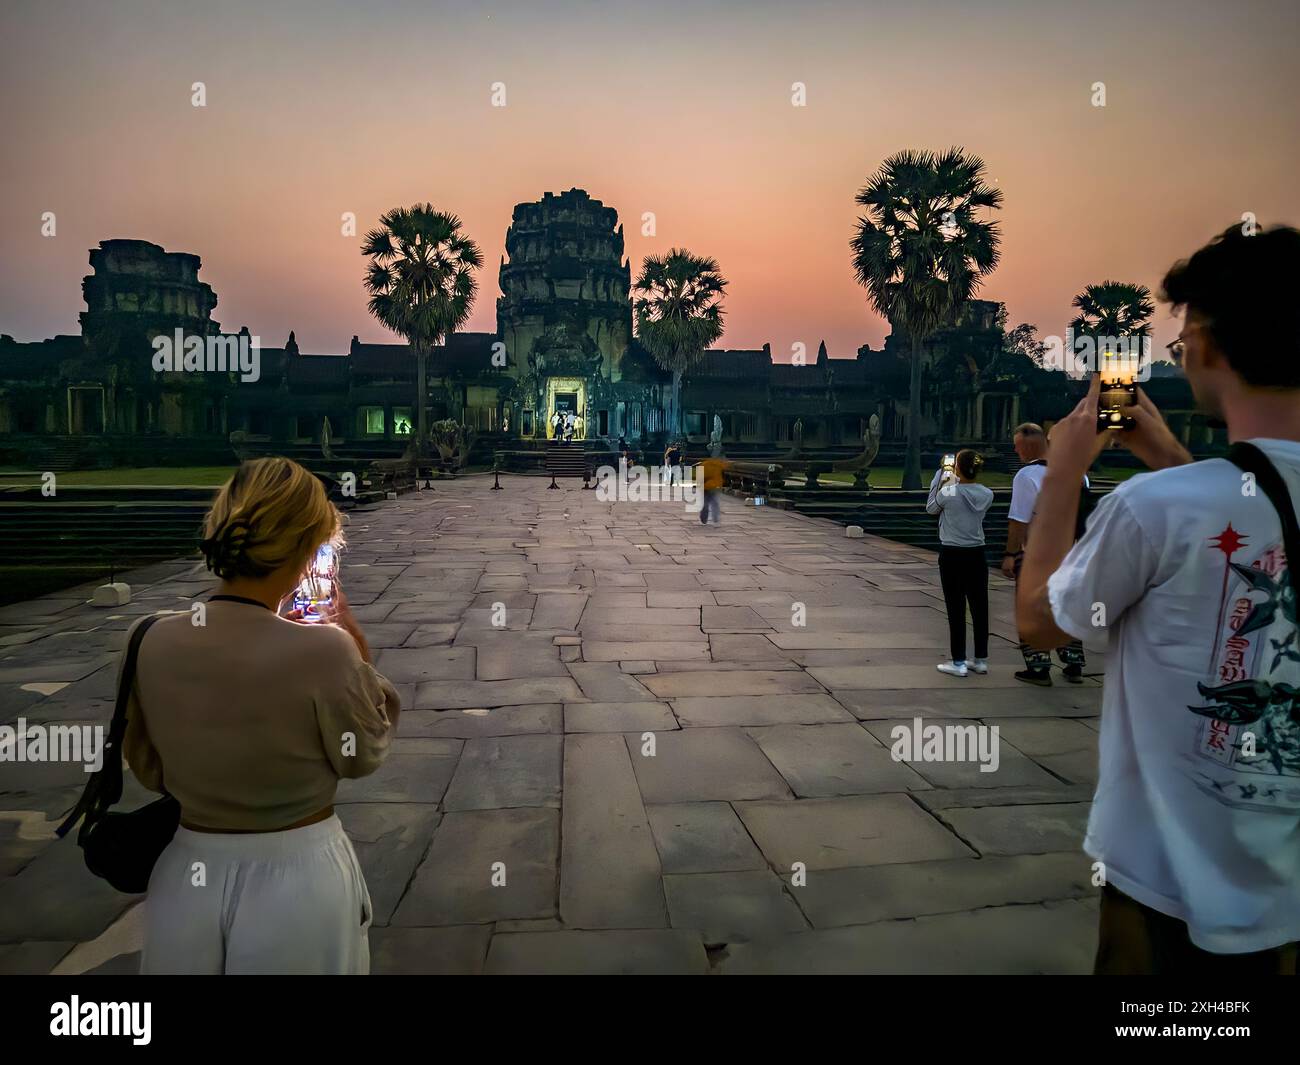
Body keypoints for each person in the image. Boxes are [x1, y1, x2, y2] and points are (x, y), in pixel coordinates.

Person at [1017, 224, 1300, 973]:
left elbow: (1040, 623)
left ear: (1205, 343)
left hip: (1165, 895)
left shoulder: (1158, 507)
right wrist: (1173, 458)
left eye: (1182, 340)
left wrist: (1062, 469)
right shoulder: (1181, 495)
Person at [124, 457, 402, 974]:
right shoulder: (325, 651)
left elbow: (149, 769)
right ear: (305, 550)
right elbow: (365, 751)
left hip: (185, 876)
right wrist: (347, 637)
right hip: (300, 876)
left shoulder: (147, 638)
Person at [1004, 422, 1088, 685]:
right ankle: (1073, 662)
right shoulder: (1079, 473)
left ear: (1027, 446)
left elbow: (1019, 520)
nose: (1017, 452)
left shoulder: (1026, 476)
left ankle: (1038, 667)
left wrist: (1010, 553)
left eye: (1017, 446)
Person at [927, 450, 994, 677]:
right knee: (979, 606)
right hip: (977, 553)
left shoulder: (948, 492)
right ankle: (981, 659)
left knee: (956, 608)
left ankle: (958, 661)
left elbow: (931, 508)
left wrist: (940, 476)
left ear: (957, 467)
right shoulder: (987, 493)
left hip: (952, 553)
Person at [698, 455, 729, 525]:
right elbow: (724, 473)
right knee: (715, 502)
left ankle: (703, 518)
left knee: (706, 503)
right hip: (715, 486)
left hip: (705, 487)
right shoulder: (719, 465)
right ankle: (715, 518)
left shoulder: (703, 464)